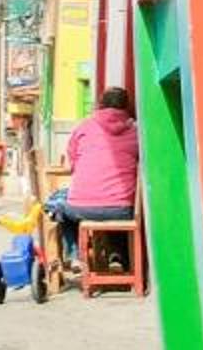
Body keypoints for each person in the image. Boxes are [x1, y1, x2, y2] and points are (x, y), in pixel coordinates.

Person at [48, 88, 140, 269]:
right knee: (114, 205)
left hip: (81, 208)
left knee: (58, 207)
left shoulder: (83, 128)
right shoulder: (136, 132)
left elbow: (73, 163)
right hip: (123, 210)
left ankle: (75, 256)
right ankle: (117, 256)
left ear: (100, 105)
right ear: (126, 107)